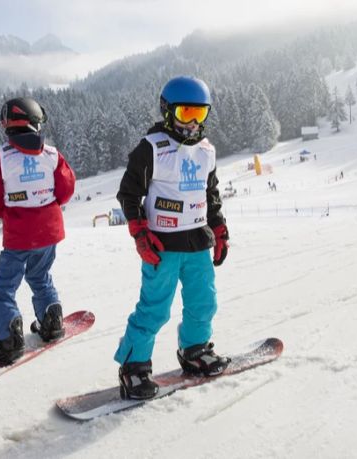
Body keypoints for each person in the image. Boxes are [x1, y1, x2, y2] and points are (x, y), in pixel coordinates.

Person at [114, 76, 230, 400]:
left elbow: (211, 194)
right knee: (154, 308)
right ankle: (133, 368)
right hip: (162, 244)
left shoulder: (206, 152)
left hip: (197, 243)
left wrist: (219, 228)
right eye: (185, 114)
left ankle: (194, 350)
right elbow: (128, 194)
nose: (192, 123)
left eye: (200, 115)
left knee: (203, 302)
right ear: (168, 112)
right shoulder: (151, 148)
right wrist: (139, 232)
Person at [0, 97, 76, 364]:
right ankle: (51, 322)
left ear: (7, 125)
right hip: (49, 232)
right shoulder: (52, 155)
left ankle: (8, 340)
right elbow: (66, 190)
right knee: (40, 275)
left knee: (5, 286)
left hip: (19, 235)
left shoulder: (2, 159)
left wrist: (12, 213)